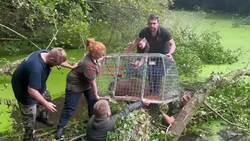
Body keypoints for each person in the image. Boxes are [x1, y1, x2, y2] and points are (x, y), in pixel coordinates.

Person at [11, 47, 74, 141]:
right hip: (24, 91)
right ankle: (29, 137)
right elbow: (31, 90)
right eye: (57, 64)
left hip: (37, 84)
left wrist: (71, 67)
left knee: (47, 97)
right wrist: (46, 104)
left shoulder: (47, 53)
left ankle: (42, 117)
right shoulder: (36, 68)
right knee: (30, 117)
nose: (58, 66)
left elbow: (60, 60)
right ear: (52, 59)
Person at [56, 38, 106, 140]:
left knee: (92, 103)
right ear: (94, 54)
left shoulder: (93, 57)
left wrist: (99, 61)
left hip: (85, 81)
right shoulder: (87, 64)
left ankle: (92, 123)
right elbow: (93, 81)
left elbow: (95, 68)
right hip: (75, 83)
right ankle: (60, 128)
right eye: (101, 55)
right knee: (70, 108)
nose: (103, 56)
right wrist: (96, 95)